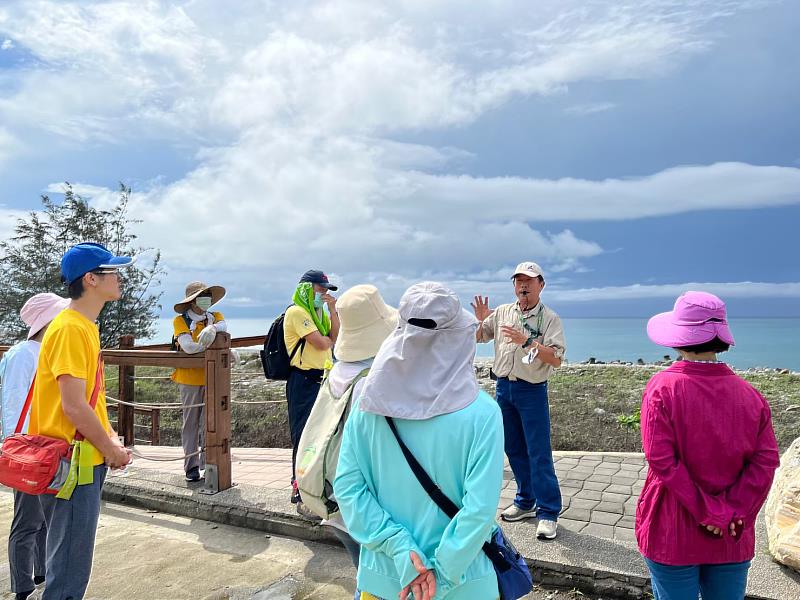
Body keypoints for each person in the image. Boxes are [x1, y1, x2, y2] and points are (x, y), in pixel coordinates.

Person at [335, 282, 505, 600]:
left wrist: (401, 552)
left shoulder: (368, 405)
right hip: (465, 584)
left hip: (385, 580)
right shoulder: (484, 414)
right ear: (458, 337)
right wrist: (440, 574)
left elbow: (347, 490)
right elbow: (479, 511)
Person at [637, 291, 780, 600]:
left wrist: (709, 512)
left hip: (672, 530)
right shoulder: (751, 396)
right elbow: (766, 461)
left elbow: (661, 461)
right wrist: (732, 512)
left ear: (679, 337)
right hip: (732, 533)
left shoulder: (662, 389)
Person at [29, 242, 133, 600]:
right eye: (113, 271)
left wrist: (110, 436)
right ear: (91, 279)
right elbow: (73, 407)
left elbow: (90, 399)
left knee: (68, 564)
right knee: (68, 574)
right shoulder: (72, 328)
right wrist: (111, 450)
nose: (119, 277)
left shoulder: (83, 325)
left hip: (76, 461)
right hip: (74, 465)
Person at [302, 284, 397, 573]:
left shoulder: (338, 372)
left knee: (364, 574)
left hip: (333, 496)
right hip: (364, 503)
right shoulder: (373, 382)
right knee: (380, 577)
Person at [472, 261, 566, 539]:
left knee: (538, 451)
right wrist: (479, 321)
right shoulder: (502, 312)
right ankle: (525, 501)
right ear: (513, 285)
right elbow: (479, 337)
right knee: (512, 448)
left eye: (529, 281)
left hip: (532, 390)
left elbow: (557, 359)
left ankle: (548, 511)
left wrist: (528, 342)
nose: (523, 286)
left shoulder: (550, 319)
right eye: (519, 281)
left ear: (541, 285)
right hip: (503, 387)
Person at [0, 293, 69, 600]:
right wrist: (18, 447)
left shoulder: (42, 352)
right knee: (27, 520)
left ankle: (40, 571)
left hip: (46, 448)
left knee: (43, 519)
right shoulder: (23, 354)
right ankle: (22, 585)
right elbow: (13, 404)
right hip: (30, 450)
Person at [283, 269, 340, 518]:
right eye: (320, 289)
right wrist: (327, 338)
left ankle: (315, 487)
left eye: (326, 289)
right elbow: (323, 343)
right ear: (307, 288)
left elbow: (334, 338)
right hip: (303, 380)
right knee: (303, 434)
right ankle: (299, 490)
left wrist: (333, 312)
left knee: (320, 435)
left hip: (321, 378)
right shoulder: (297, 312)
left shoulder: (318, 314)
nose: (324, 293)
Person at [171, 281, 227, 482]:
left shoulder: (214, 317)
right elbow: (188, 347)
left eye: (208, 296)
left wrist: (211, 330)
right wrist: (216, 347)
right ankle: (191, 466)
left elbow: (223, 326)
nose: (207, 300)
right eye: (203, 296)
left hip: (211, 376)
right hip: (189, 378)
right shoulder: (181, 321)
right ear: (192, 300)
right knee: (191, 423)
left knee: (210, 422)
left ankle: (208, 463)